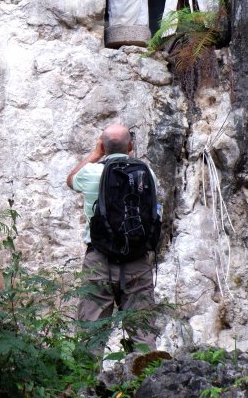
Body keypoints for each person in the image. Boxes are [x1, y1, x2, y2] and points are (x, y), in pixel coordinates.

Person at [66, 124, 160, 356]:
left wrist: (95, 155)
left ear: (103, 146)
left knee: (92, 331)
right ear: (130, 147)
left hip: (99, 260)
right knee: (142, 331)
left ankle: (88, 385)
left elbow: (71, 180)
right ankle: (148, 384)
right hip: (137, 261)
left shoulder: (90, 173)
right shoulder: (147, 173)